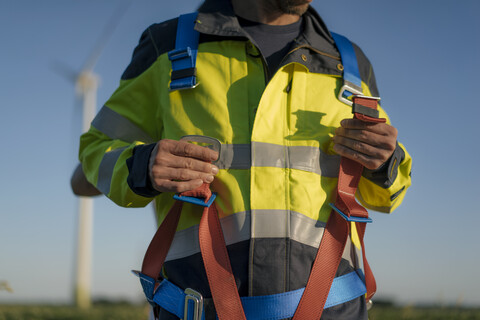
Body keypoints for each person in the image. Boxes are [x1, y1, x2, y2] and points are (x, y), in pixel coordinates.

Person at [79, 0, 412, 318]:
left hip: (338, 312)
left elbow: (390, 192)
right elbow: (98, 147)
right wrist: (142, 165)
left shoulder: (351, 61)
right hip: (198, 309)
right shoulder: (166, 45)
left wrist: (385, 163)